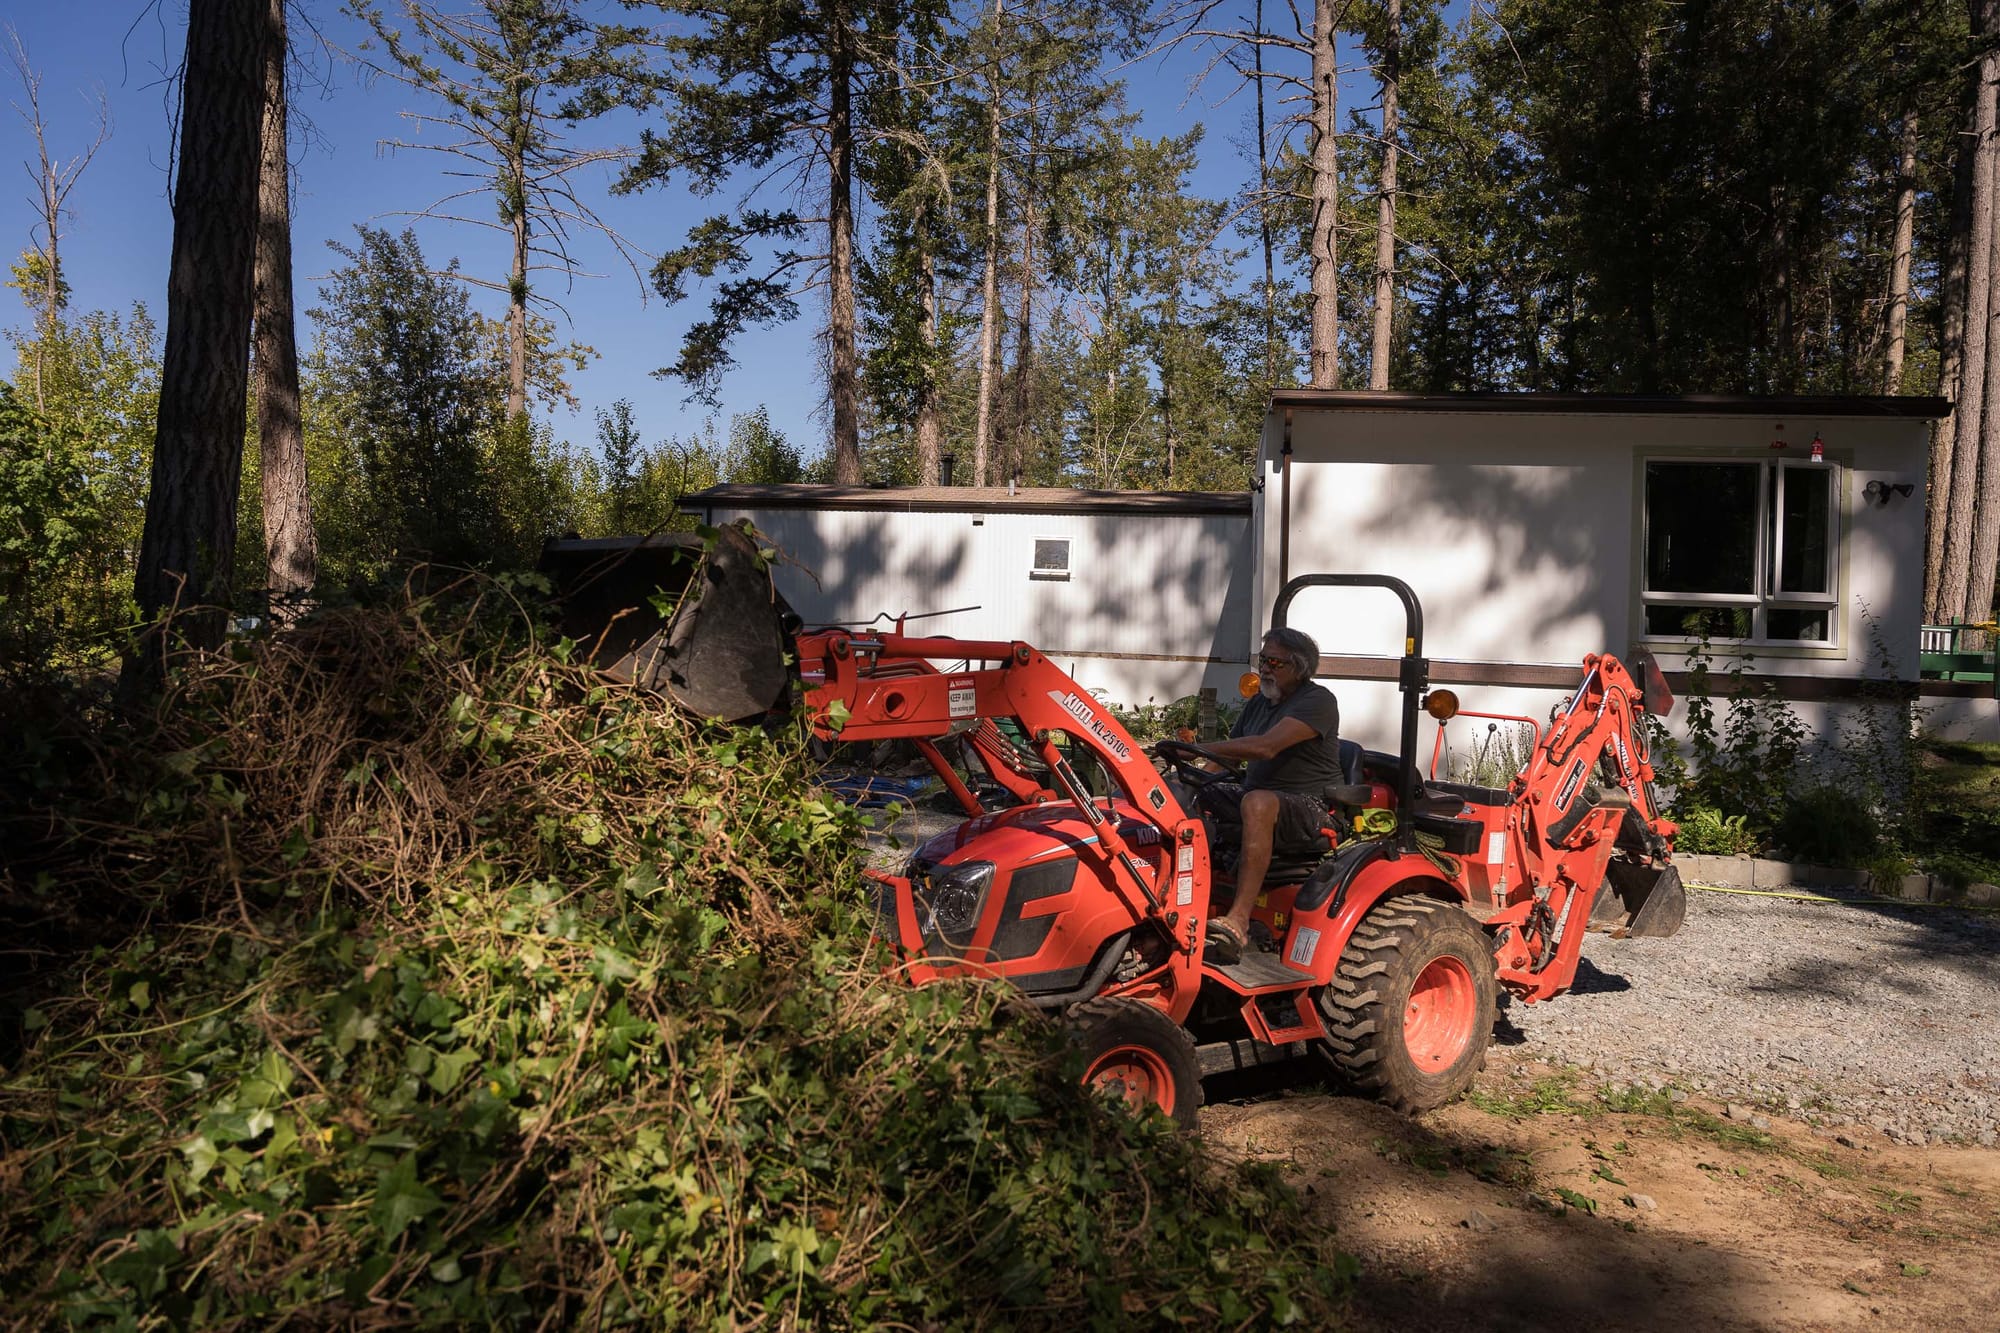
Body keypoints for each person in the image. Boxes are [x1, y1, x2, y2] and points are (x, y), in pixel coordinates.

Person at [1185, 626, 1342, 964]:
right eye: (1262, 660)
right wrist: (1193, 780)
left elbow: (1266, 747)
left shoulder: (1318, 701)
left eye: (1274, 662)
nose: (1265, 668)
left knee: (1257, 802)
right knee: (1180, 790)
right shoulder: (1259, 703)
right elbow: (1224, 760)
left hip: (1311, 808)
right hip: (1256, 795)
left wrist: (1196, 747)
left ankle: (1238, 920)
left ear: (1299, 668)